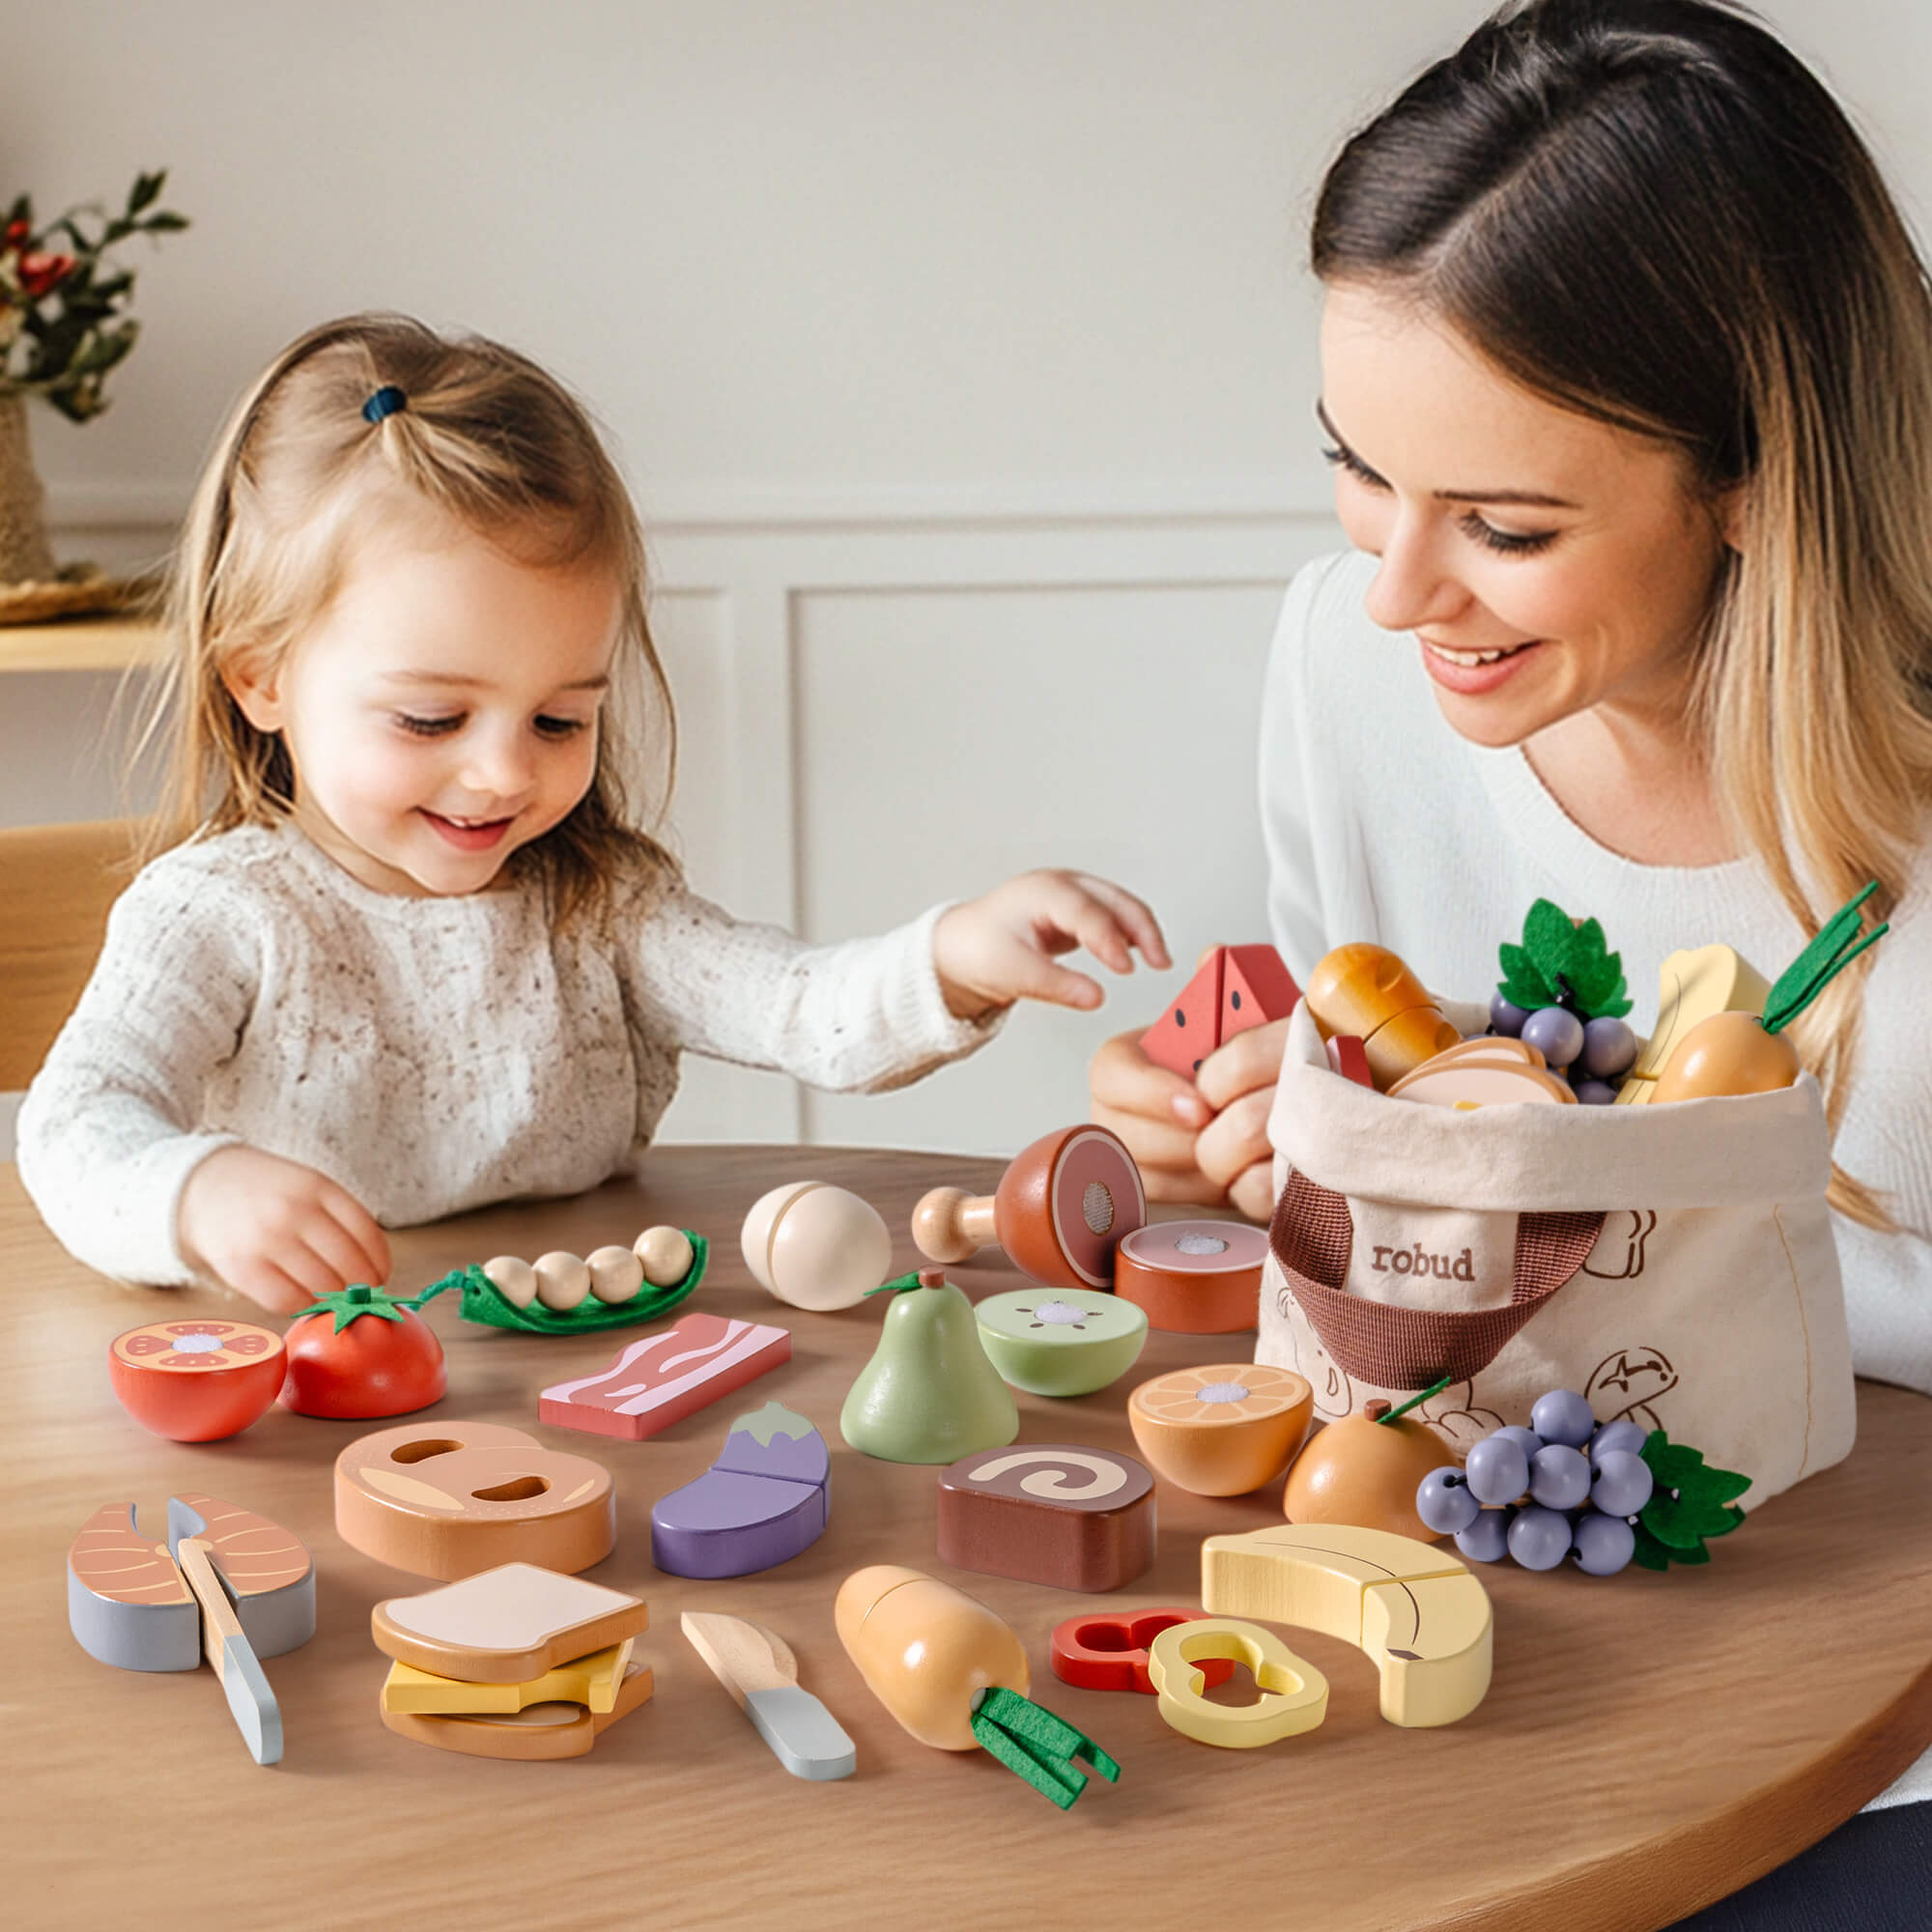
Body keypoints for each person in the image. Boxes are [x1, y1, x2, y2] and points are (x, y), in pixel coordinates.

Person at [1088, 0, 1929, 1890]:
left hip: (1881, 1714)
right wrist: (1308, 1153)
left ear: (1748, 479)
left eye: (1505, 523)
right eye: (1357, 466)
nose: (1396, 587)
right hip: (1488, 1645)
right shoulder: (1347, 662)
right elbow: (1393, 1206)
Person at [19, 313, 1167, 1315]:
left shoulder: (597, 901)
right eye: (429, 719)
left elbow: (798, 1006)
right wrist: (190, 1191)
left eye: (560, 721)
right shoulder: (220, 913)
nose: (501, 776)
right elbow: (75, 1123)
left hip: (586, 1358)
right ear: (260, 677)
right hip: (308, 1375)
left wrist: (956, 954)